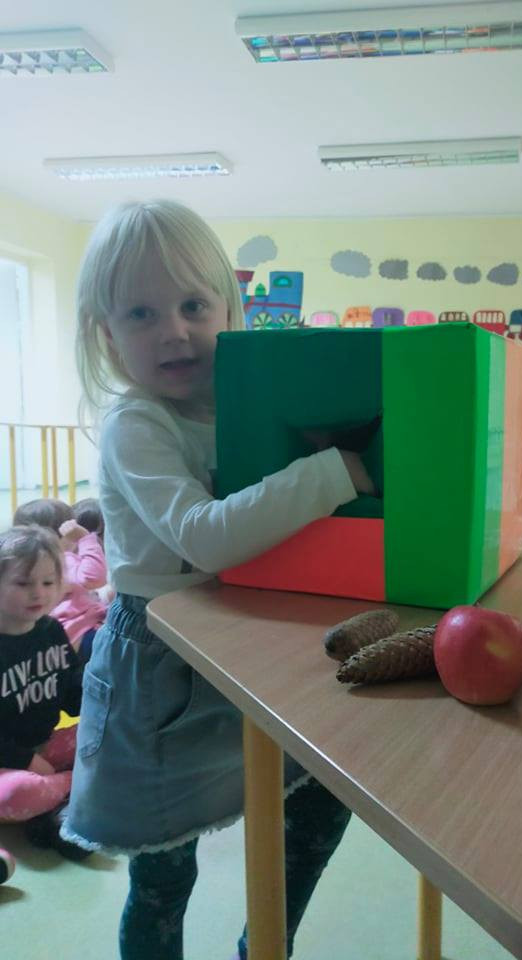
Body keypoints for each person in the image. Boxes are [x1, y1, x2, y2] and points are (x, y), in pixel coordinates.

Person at [63, 199, 376, 960]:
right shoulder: (136, 423)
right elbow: (206, 537)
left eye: (193, 306)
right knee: (163, 877)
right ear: (108, 335)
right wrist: (335, 470)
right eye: (141, 313)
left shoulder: (245, 407)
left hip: (248, 645)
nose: (173, 330)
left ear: (229, 311)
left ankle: (265, 944)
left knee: (321, 803)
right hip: (162, 666)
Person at [0, 525, 89, 861]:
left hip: (44, 745)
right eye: (23, 584)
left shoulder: (51, 630)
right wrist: (26, 761)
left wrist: (101, 699)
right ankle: (78, 789)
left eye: (48, 583)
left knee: (110, 732)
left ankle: (54, 806)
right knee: (17, 793)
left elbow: (70, 692)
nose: (38, 593)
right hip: (7, 765)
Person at [14, 499, 109, 663]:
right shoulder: (58, 561)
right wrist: (86, 539)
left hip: (70, 632)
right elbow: (94, 578)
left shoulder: (28, 564)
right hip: (80, 633)